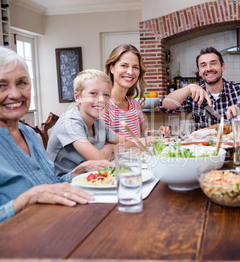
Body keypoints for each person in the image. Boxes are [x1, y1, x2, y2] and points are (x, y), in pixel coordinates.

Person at [0, 47, 113, 224]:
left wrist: (78, 171)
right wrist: (28, 198)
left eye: (22, 83)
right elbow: (37, 193)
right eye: (1, 85)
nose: (15, 94)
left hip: (53, 223)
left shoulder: (28, 134)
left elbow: (50, 182)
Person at [158, 46, 240, 130]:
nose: (209, 68)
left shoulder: (239, 90)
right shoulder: (193, 95)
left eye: (213, 63)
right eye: (203, 65)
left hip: (235, 151)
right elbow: (164, 106)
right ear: (199, 72)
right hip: (205, 152)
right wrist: (188, 88)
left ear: (222, 66)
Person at [47, 69, 137, 177]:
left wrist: (111, 149)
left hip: (89, 177)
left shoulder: (99, 123)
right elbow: (100, 160)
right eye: (93, 93)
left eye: (106, 95)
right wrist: (109, 149)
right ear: (78, 97)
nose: (101, 100)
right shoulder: (70, 122)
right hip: (62, 183)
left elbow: (130, 143)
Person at [103, 44, 169, 139]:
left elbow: (144, 132)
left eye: (135, 67)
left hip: (136, 154)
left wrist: (159, 132)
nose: (130, 72)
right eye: (124, 65)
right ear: (112, 68)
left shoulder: (134, 104)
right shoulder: (104, 105)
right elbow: (101, 146)